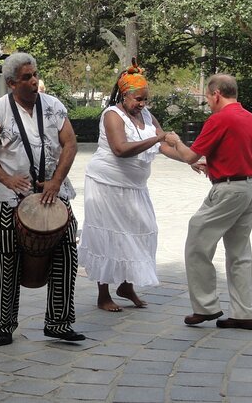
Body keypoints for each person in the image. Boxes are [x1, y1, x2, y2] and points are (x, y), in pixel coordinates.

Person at [0, 52, 83, 346]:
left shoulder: (53, 106)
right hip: (8, 200)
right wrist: (7, 179)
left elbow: (70, 143)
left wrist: (56, 182)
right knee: (4, 263)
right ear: (12, 83)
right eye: (26, 77)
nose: (34, 81)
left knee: (66, 257)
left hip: (54, 196)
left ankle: (59, 323)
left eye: (35, 75)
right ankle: (4, 325)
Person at [77, 61, 180, 312]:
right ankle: (103, 294)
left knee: (143, 229)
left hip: (134, 186)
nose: (142, 104)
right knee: (108, 234)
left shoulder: (146, 115)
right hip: (106, 184)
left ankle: (126, 285)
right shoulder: (112, 115)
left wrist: (191, 159)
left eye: (146, 99)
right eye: (138, 99)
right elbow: (120, 149)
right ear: (125, 95)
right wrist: (158, 138)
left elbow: (164, 144)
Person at [165, 74, 252, 330]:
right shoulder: (249, 117)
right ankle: (244, 313)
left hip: (229, 190)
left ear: (216, 94)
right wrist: (215, 164)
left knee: (197, 236)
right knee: (239, 252)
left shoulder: (220, 118)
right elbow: (237, 151)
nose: (208, 102)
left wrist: (174, 141)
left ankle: (205, 306)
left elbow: (189, 156)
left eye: (207, 97)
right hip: (251, 185)